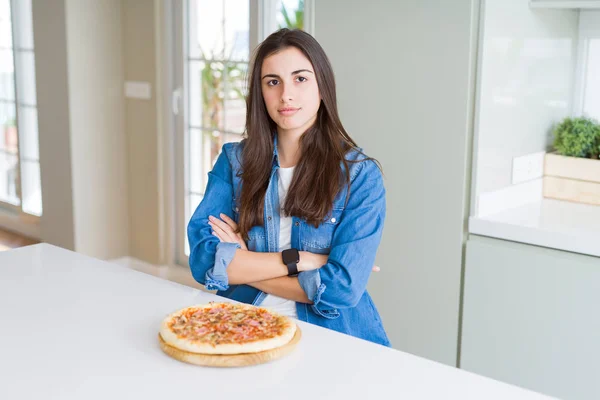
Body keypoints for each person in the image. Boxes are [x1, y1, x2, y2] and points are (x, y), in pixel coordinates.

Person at [187, 28, 390, 347]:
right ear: (261, 91)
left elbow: (343, 289)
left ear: (322, 86)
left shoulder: (360, 176)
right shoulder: (234, 162)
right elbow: (202, 261)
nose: (286, 95)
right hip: (241, 322)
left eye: (300, 79)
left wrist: (242, 263)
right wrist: (302, 260)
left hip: (331, 334)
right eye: (273, 82)